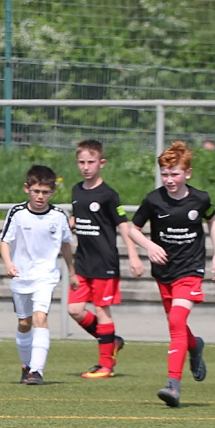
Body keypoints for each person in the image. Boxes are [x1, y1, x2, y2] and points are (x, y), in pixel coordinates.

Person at [128, 141, 215, 408]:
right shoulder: (153, 200)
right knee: (177, 324)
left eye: (175, 174)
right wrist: (149, 246)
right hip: (164, 272)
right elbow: (133, 229)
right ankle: (195, 346)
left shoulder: (200, 199)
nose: (169, 179)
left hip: (190, 269)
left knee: (177, 321)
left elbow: (212, 219)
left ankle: (173, 385)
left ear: (187, 173)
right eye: (165, 174)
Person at [67, 140, 144, 378]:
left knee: (102, 310)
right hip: (82, 262)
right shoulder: (76, 190)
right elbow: (79, 218)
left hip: (104, 263)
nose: (86, 167)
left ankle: (106, 365)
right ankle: (112, 341)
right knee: (74, 309)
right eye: (81, 162)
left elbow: (123, 225)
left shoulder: (109, 195)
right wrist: (69, 224)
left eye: (91, 162)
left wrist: (133, 256)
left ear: (102, 163)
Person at [0, 164, 77, 386]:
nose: (40, 196)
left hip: (46, 275)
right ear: (27, 188)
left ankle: (37, 370)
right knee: (24, 323)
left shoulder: (59, 216)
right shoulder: (17, 213)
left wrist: (72, 272)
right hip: (21, 276)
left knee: (40, 318)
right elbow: (5, 241)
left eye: (45, 192)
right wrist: (9, 264)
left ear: (53, 191)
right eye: (36, 191)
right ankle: (26, 366)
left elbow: (65, 246)